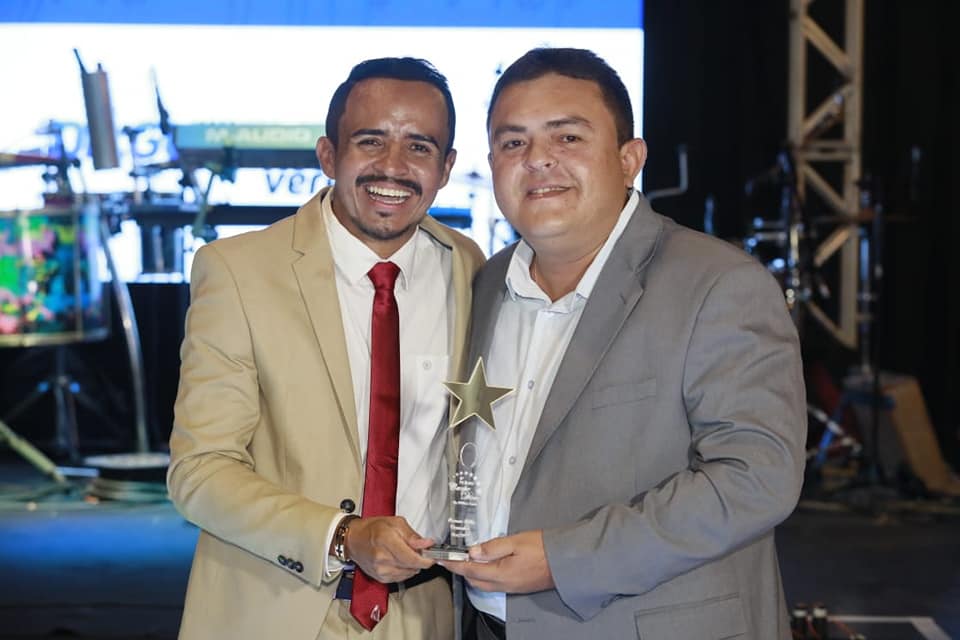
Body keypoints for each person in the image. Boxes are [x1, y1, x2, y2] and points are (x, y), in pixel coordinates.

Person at [443, 47, 807, 639]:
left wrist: (563, 560)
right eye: (513, 142)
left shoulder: (719, 284)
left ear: (629, 159)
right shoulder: (486, 283)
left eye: (567, 137)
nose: (537, 159)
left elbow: (756, 477)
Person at [167, 57, 485, 640]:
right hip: (277, 612)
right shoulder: (239, 271)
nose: (393, 166)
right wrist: (343, 536)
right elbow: (200, 471)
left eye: (419, 147)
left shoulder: (468, 267)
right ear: (329, 155)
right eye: (371, 141)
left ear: (446, 168)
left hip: (427, 614)